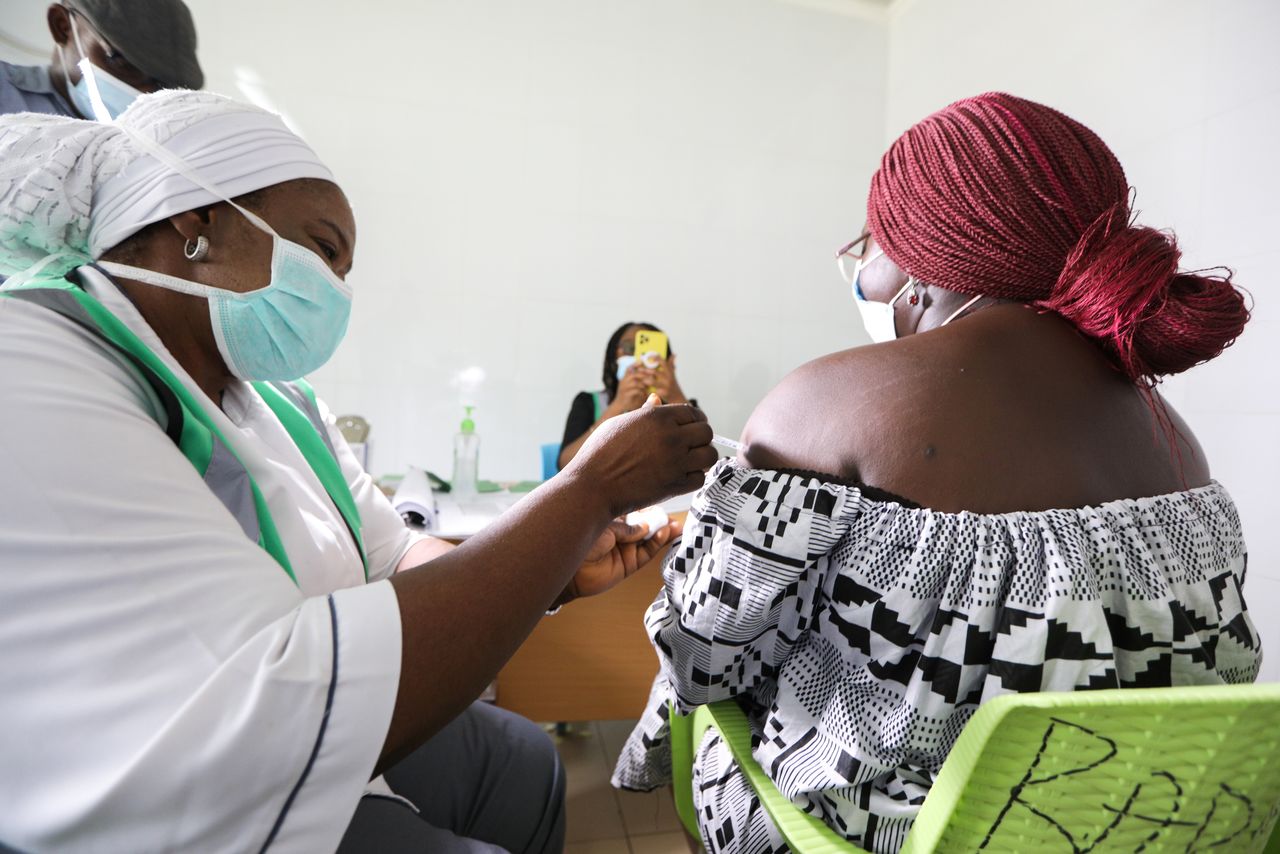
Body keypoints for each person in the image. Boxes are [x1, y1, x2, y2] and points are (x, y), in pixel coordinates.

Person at [0, 91, 716, 853]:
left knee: (523, 760)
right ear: (195, 218)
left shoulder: (281, 403)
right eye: (323, 249)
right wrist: (587, 492)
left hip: (302, 708)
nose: (336, 289)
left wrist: (556, 571)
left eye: (345, 269)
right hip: (191, 787)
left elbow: (396, 552)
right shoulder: (39, 362)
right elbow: (273, 698)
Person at [611, 92, 1260, 853]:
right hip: (1138, 831)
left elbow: (702, 655)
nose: (861, 266)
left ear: (921, 264)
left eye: (871, 241)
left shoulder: (822, 405)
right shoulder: (1178, 446)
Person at [0, 0, 201, 120]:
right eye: (123, 62)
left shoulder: (155, 138)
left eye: (161, 82)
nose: (144, 93)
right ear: (62, 26)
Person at [558, 321, 696, 469]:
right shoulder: (588, 402)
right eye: (630, 348)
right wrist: (618, 405)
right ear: (615, 357)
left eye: (648, 351)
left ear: (669, 362)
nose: (639, 357)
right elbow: (565, 465)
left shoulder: (682, 406)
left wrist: (675, 397)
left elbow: (706, 464)